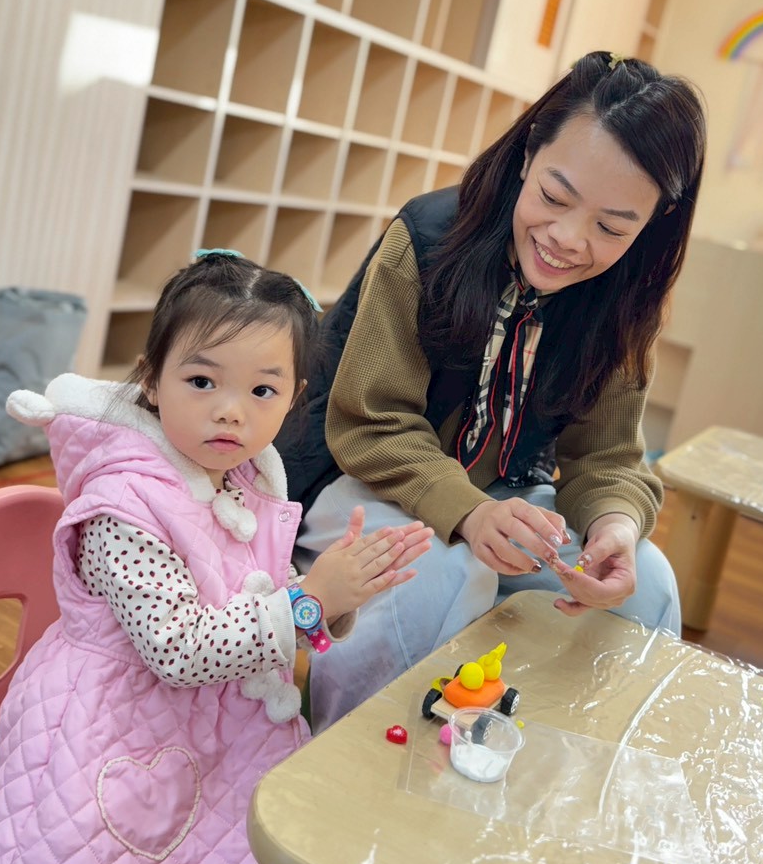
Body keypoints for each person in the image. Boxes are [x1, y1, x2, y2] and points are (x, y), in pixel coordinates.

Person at [279, 50, 707, 731]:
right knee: (439, 573)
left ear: (655, 220)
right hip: (360, 481)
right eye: (554, 198)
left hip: (503, 497)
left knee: (649, 585)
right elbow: (369, 423)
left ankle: (551, 767)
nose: (567, 239)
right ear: (528, 154)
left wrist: (615, 528)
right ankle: (340, 766)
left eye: (611, 227)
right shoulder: (427, 240)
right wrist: (470, 514)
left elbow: (608, 459)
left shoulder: (630, 296)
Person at [0, 253, 432, 864]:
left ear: (293, 399)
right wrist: (309, 601)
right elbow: (179, 648)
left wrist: (335, 593)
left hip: (207, 724)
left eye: (262, 390)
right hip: (107, 731)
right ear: (151, 379)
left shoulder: (242, 480)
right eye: (201, 381)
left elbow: (252, 600)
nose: (230, 410)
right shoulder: (124, 506)